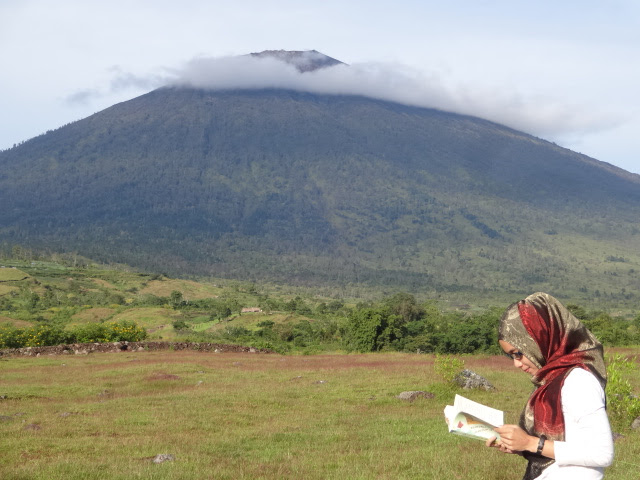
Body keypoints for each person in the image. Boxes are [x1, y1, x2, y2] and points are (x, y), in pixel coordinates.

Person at [486, 292, 614, 480]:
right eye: (510, 356)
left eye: (518, 353)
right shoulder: (552, 379)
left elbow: (601, 452)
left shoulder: (578, 381)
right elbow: (564, 444)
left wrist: (530, 443)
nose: (516, 363)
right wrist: (518, 444)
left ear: (540, 338)